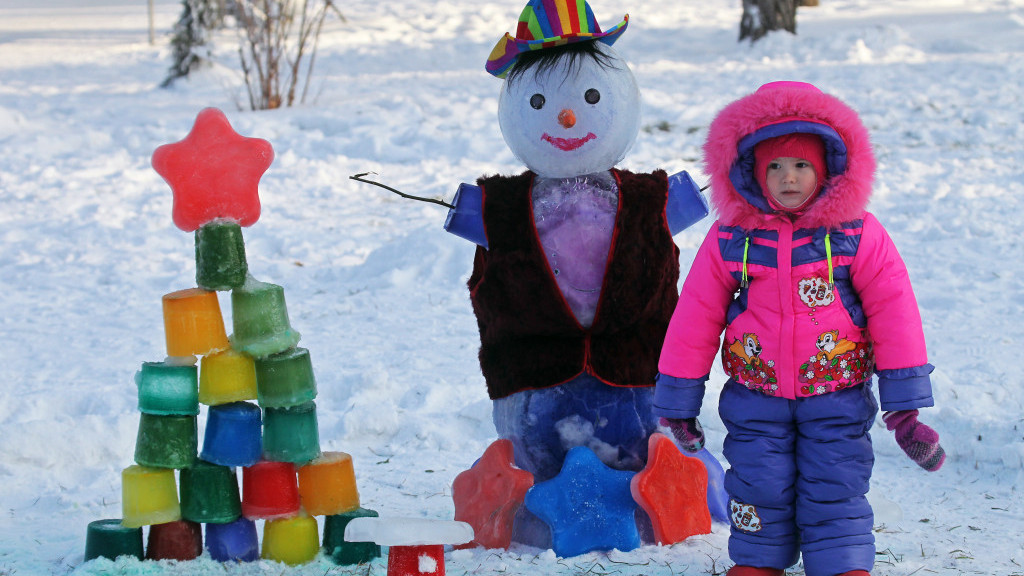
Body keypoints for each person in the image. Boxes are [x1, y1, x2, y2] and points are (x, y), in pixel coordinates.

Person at [653, 81, 945, 576]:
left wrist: (905, 406)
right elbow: (696, 315)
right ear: (750, 173)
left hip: (837, 392)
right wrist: (678, 401)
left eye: (801, 165)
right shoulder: (733, 238)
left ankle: (842, 563)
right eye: (775, 167)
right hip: (755, 394)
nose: (788, 178)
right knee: (757, 479)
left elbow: (895, 312)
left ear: (827, 168)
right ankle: (758, 561)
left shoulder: (856, 234)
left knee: (836, 480)